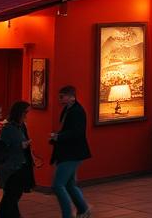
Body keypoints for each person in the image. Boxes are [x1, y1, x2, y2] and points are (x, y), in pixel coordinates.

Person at [49, 86, 92, 218]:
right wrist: (57, 136)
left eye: (62, 97)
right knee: (69, 184)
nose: (60, 99)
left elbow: (77, 132)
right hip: (69, 151)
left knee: (58, 185)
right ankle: (83, 209)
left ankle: (68, 214)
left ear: (72, 96)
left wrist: (59, 137)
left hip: (72, 152)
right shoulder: (68, 110)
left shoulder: (76, 111)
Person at [0, 101, 35, 218]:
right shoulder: (8, 128)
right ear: (19, 113)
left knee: (14, 195)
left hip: (21, 164)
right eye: (25, 112)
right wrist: (20, 145)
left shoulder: (21, 126)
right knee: (11, 196)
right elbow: (3, 146)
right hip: (11, 167)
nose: (26, 115)